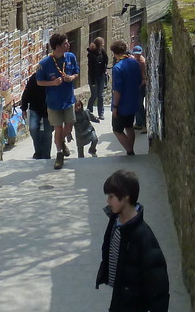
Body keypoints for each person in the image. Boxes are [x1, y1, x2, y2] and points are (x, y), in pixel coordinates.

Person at [95, 169, 170, 312]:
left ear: (126, 197)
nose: (108, 201)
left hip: (134, 303)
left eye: (111, 197)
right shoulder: (115, 220)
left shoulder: (143, 237)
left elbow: (158, 283)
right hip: (121, 296)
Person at [36, 32, 79, 169]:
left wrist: (71, 78)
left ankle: (61, 142)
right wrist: (53, 83)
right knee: (58, 128)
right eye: (65, 43)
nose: (68, 45)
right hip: (54, 102)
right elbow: (39, 82)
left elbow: (76, 72)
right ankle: (59, 154)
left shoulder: (70, 57)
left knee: (69, 126)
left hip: (68, 99)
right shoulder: (45, 63)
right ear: (58, 47)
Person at [109, 40, 143, 155]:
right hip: (133, 101)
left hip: (122, 104)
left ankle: (130, 150)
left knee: (117, 129)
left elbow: (117, 89)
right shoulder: (134, 63)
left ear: (114, 53)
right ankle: (130, 149)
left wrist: (115, 106)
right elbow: (139, 81)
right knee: (129, 126)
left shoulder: (117, 68)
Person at [19, 71, 52, 160]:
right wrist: (24, 108)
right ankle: (38, 151)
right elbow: (27, 92)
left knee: (48, 133)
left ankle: (46, 154)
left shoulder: (52, 77)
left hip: (49, 109)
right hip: (35, 108)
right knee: (33, 128)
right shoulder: (34, 77)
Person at [87, 37, 109, 121]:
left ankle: (101, 113)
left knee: (100, 95)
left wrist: (104, 67)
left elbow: (106, 59)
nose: (103, 45)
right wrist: (92, 81)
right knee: (94, 95)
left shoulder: (102, 51)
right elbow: (91, 69)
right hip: (93, 77)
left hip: (101, 76)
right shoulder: (91, 54)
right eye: (102, 43)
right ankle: (89, 111)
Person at [132, 46, 149, 132]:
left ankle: (144, 125)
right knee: (136, 105)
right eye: (136, 54)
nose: (137, 56)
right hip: (137, 85)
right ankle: (138, 123)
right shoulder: (135, 60)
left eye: (138, 54)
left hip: (141, 86)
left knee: (139, 105)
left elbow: (144, 77)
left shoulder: (142, 62)